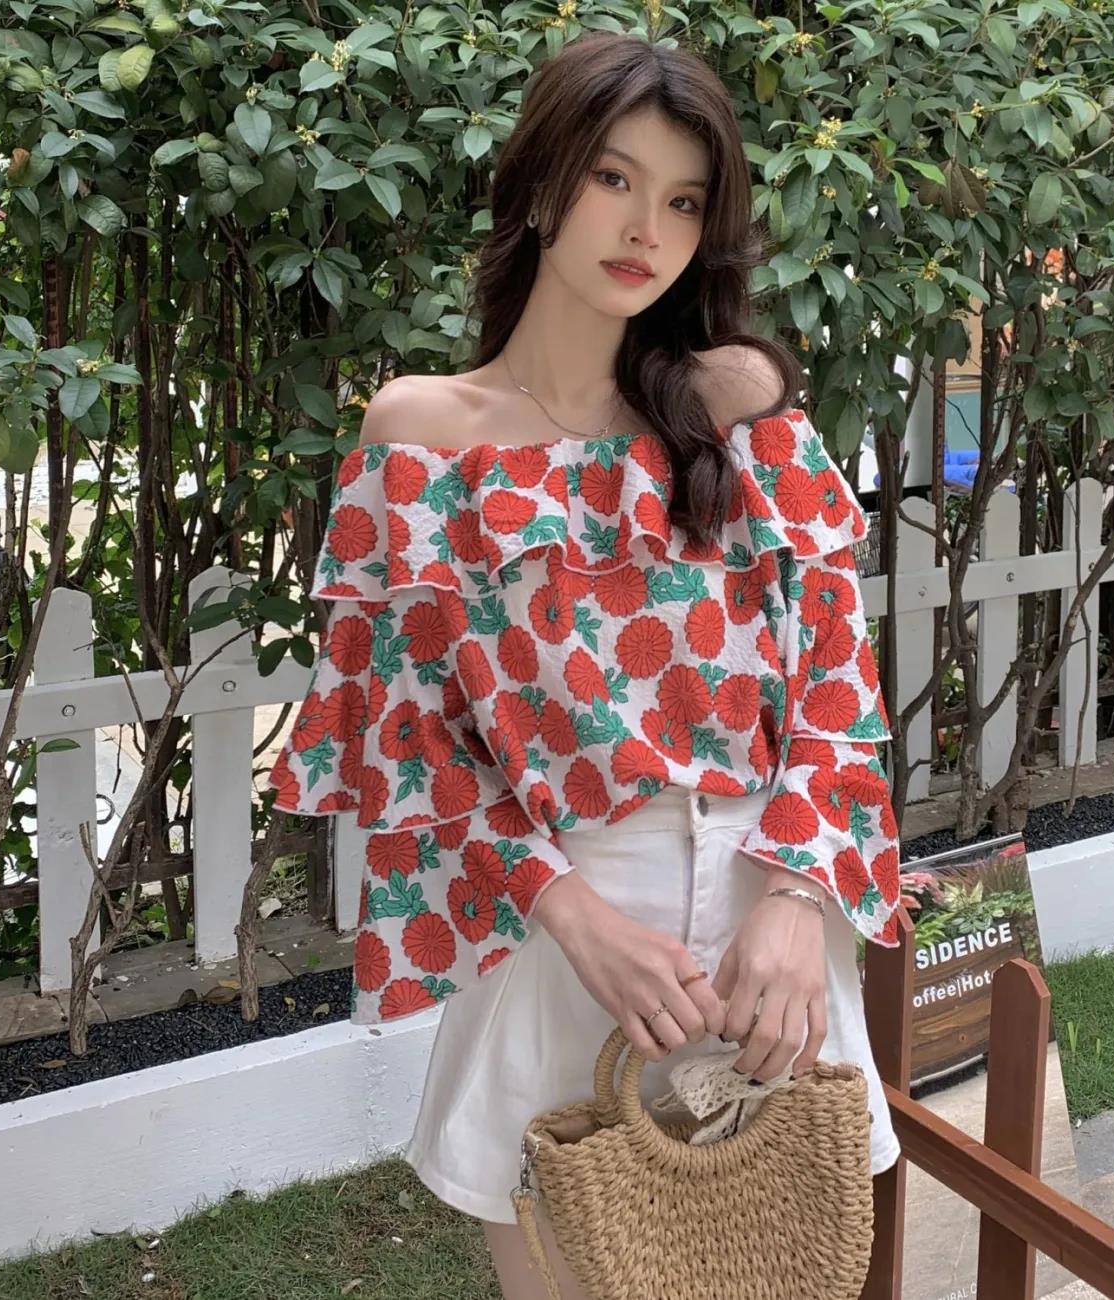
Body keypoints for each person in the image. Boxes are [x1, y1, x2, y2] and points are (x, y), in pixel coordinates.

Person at [268, 29, 903, 1300]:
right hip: (563, 930)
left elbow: (836, 675)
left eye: (684, 200)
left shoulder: (729, 407)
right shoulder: (422, 436)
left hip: (767, 926)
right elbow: (415, 740)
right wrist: (572, 915)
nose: (645, 228)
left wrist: (796, 900)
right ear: (542, 181)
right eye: (614, 178)